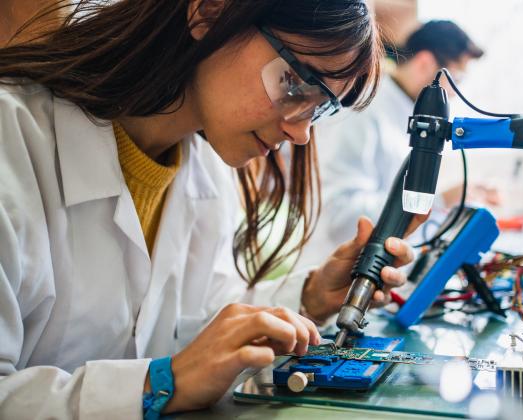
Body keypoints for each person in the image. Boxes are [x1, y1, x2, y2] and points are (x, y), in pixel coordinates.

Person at [0, 1, 420, 418]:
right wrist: (162, 382)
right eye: (298, 84)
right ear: (209, 14)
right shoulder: (12, 141)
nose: (300, 133)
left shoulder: (205, 174)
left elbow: (204, 322)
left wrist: (312, 296)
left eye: (320, 108)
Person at [299, 20, 496, 266]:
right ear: (425, 63)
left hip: (382, 270)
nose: (455, 93)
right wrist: (439, 200)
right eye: (456, 78)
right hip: (333, 274)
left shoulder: (404, 110)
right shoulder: (362, 110)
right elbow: (339, 216)